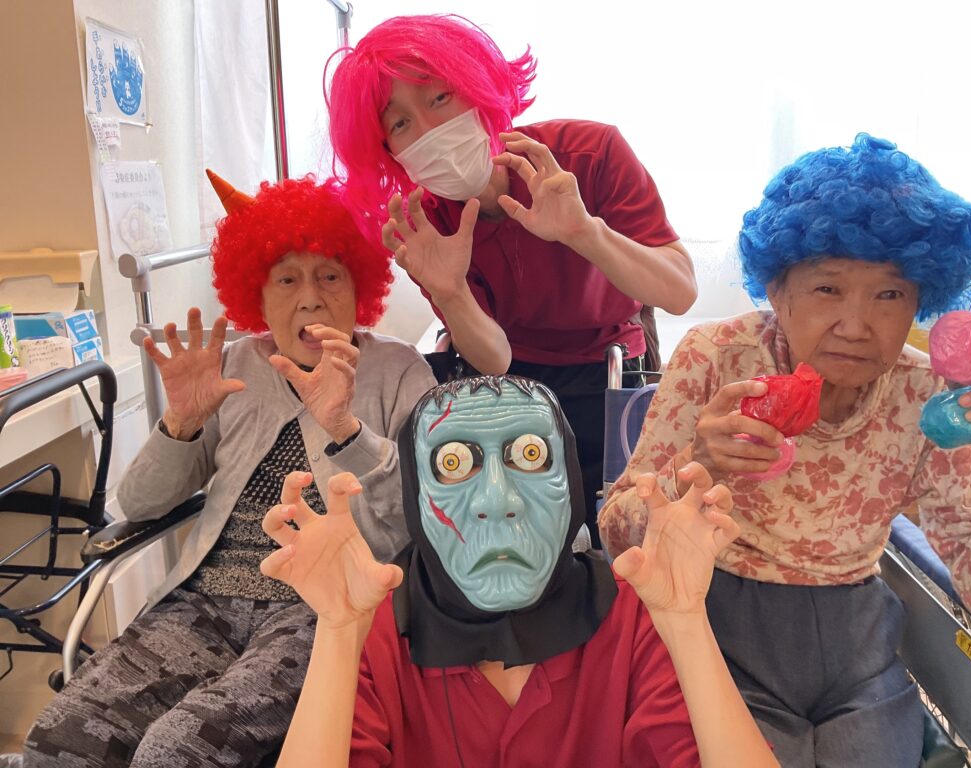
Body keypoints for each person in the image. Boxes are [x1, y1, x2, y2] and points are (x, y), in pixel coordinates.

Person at [599, 134, 971, 767]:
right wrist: (698, 465)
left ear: (922, 300)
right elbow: (617, 538)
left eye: (889, 295)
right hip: (720, 619)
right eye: (827, 289)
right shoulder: (716, 359)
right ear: (777, 289)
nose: (856, 326)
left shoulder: (922, 392)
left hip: (860, 644)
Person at [21, 175, 435, 768]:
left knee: (175, 752)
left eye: (330, 276)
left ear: (360, 287)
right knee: (60, 740)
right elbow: (139, 504)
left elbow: (421, 520)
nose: (310, 298)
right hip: (202, 603)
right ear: (257, 298)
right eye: (287, 279)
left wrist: (346, 430)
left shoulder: (400, 371)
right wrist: (181, 423)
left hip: (321, 607)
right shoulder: (235, 365)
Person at [260, 375, 778, 767]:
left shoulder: (635, 613)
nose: (497, 500)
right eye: (453, 464)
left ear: (571, 480)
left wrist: (686, 621)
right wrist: (337, 632)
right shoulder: (375, 626)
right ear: (416, 497)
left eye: (530, 455)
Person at [325, 14, 698, 543]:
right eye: (401, 124)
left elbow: (680, 292)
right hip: (507, 385)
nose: (429, 131)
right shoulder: (427, 225)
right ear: (389, 152)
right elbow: (495, 358)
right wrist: (450, 291)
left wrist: (586, 233)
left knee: (619, 532)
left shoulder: (589, 154)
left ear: (477, 87)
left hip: (609, 370)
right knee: (522, 535)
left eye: (439, 98)